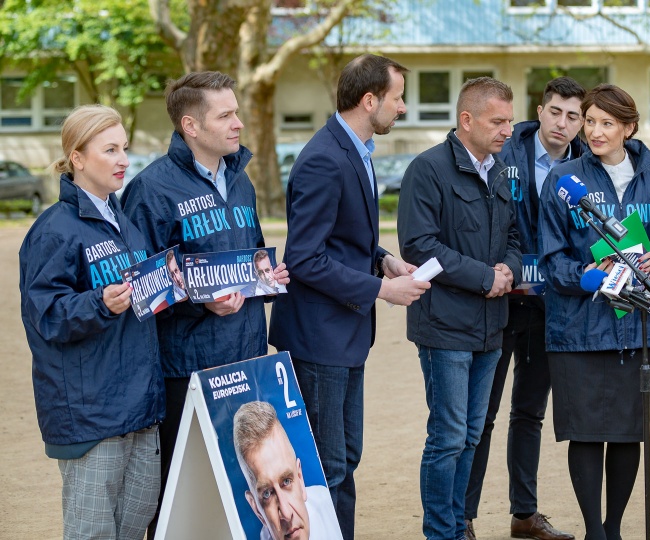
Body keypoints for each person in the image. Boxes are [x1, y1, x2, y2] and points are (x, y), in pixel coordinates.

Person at [120, 71, 290, 537]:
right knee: (182, 497)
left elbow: (248, 255)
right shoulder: (151, 191)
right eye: (227, 114)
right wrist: (200, 304)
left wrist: (265, 278)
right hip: (188, 373)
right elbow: (142, 290)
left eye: (237, 112)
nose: (239, 123)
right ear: (191, 126)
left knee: (243, 492)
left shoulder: (242, 182)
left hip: (247, 359)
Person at [268, 54, 429, 540]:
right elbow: (305, 258)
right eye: (397, 97)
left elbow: (343, 237)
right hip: (320, 339)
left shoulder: (354, 148)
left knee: (345, 458)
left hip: (345, 336)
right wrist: (384, 288)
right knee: (327, 467)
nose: (401, 107)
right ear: (369, 100)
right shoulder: (324, 157)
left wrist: (383, 259)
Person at [538, 83, 650, 540]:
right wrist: (586, 276)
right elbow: (551, 257)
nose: (594, 132)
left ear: (628, 128)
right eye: (589, 121)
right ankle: (593, 532)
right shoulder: (564, 181)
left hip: (635, 326)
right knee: (585, 432)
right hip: (577, 329)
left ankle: (614, 528)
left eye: (606, 123)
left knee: (627, 431)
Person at [20, 104, 165, 539]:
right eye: (110, 149)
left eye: (125, 148)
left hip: (141, 409)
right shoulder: (55, 230)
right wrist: (100, 303)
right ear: (77, 158)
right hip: (90, 417)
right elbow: (46, 316)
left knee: (132, 529)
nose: (124, 160)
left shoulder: (126, 223)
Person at [397, 76, 522, 540]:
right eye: (498, 121)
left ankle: (455, 526)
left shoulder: (501, 169)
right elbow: (417, 246)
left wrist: (507, 270)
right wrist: (484, 277)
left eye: (510, 120)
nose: (507, 130)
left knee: (471, 436)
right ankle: (440, 533)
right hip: (445, 327)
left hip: (491, 327)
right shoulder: (427, 170)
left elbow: (513, 235)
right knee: (447, 438)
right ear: (466, 120)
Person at [464, 76, 585, 540]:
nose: (563, 123)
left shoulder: (583, 166)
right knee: (482, 414)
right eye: (556, 112)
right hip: (496, 301)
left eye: (573, 116)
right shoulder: (503, 148)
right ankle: (464, 516)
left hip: (550, 306)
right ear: (541, 109)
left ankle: (524, 514)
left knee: (530, 413)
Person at [233, 401, 341, 540]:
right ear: (257, 511)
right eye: (267, 494)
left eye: (286, 481)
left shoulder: (327, 504)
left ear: (300, 479)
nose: (286, 513)